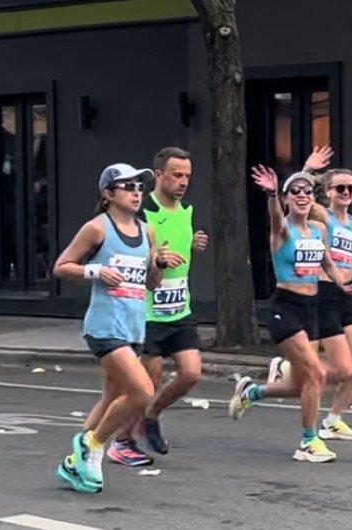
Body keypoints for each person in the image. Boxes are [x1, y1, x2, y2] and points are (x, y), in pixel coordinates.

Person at [52, 163, 185, 493]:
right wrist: (95, 272)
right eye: (128, 187)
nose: (137, 193)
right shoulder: (97, 228)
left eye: (140, 187)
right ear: (108, 194)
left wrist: (158, 264)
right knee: (142, 392)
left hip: (133, 328)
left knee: (111, 397)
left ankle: (73, 463)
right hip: (104, 327)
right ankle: (93, 445)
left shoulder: (147, 232)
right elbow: (61, 266)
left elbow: (151, 284)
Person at [227, 166, 352, 463]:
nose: (302, 195)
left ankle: (252, 392)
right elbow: (275, 217)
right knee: (316, 375)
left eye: (307, 191)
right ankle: (308, 441)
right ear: (287, 198)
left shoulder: (318, 230)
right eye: (295, 191)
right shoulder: (282, 230)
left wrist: (343, 285)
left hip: (311, 309)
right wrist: (271, 194)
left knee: (305, 383)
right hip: (286, 309)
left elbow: (327, 263)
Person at [269, 147, 352, 442]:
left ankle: (333, 419)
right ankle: (292, 375)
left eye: (351, 188)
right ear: (327, 191)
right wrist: (307, 169)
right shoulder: (321, 217)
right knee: (337, 367)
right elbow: (298, 194)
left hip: (345, 292)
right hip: (323, 291)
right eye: (340, 188)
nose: (346, 193)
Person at [106, 147, 209, 467]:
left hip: (179, 308)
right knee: (146, 383)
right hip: (147, 312)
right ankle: (121, 442)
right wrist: (157, 260)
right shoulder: (144, 212)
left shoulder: (186, 211)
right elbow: (135, 257)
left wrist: (191, 244)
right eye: (177, 175)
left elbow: (176, 246)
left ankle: (150, 416)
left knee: (191, 373)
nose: (183, 182)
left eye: (187, 176)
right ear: (159, 175)